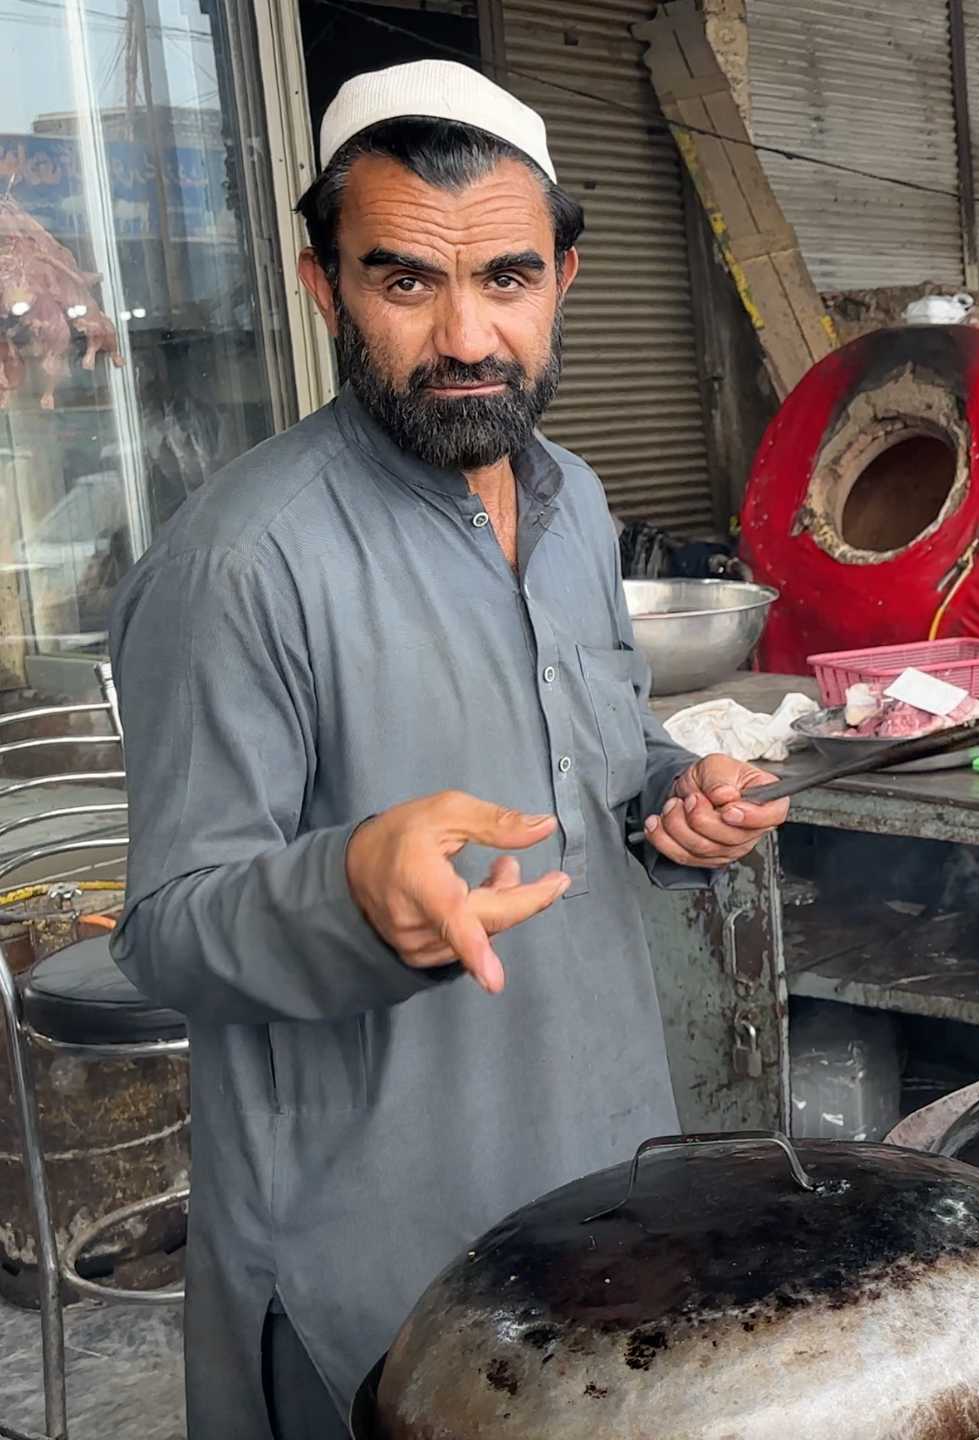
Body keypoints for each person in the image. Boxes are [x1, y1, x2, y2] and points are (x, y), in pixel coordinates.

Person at [107, 61, 791, 1439]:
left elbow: (594, 756)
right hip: (370, 1263)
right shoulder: (244, 560)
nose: (468, 336)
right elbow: (166, 930)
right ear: (324, 287)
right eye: (405, 283)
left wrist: (673, 805)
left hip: (598, 1183)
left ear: (565, 276)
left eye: (508, 279)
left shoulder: (576, 502)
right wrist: (346, 882)